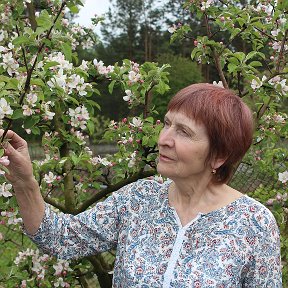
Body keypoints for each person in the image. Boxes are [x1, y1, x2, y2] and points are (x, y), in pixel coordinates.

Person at [1, 83, 282, 287]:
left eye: (183, 132)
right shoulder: (140, 198)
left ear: (219, 155)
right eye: (167, 124)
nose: (163, 139)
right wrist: (25, 182)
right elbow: (60, 238)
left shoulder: (253, 224)